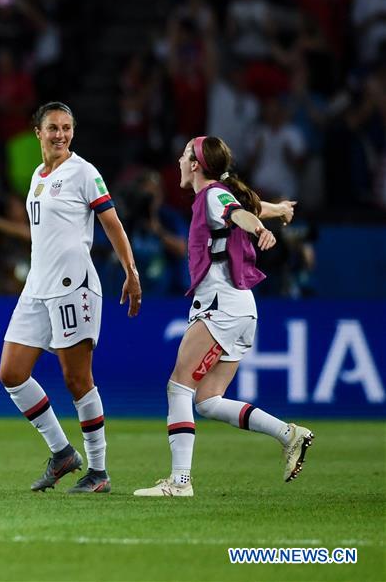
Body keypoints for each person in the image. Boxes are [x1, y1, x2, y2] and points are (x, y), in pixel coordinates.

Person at [134, 136, 313, 498]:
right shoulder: (220, 194)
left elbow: (239, 213)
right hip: (242, 307)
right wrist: (276, 210)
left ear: (196, 164)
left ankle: (180, 482)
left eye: (185, 155)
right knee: (208, 400)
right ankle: (288, 433)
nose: (180, 160)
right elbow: (246, 207)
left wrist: (259, 228)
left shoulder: (212, 195)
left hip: (220, 305)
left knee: (179, 386)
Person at [0, 102, 142, 494]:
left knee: (77, 379)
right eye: (52, 128)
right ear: (38, 133)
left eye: (66, 128)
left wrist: (131, 272)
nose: (60, 134)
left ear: (72, 133)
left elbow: (112, 223)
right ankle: (62, 453)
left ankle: (99, 471)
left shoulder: (84, 172)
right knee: (11, 373)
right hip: (36, 287)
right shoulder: (38, 176)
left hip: (72, 286)